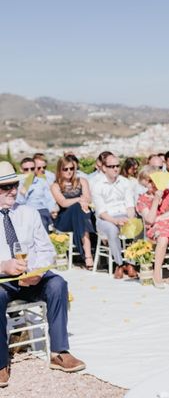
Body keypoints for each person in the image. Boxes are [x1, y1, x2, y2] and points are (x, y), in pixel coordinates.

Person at [0, 161, 85, 388]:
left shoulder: (29, 213)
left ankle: (59, 352)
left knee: (58, 283)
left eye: (14, 185)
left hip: (31, 275)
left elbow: (46, 250)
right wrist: (3, 266)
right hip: (2, 280)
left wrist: (36, 271)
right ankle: (0, 363)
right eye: (5, 187)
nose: (12, 190)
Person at [136, 166, 169, 288]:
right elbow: (149, 220)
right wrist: (155, 200)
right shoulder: (142, 199)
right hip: (155, 228)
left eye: (151, 181)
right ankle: (157, 273)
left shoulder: (168, 192)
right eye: (147, 182)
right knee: (163, 238)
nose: (150, 185)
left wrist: (159, 218)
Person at [90, 153, 137, 280]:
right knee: (112, 230)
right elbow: (101, 212)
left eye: (117, 165)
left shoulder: (125, 182)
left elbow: (130, 205)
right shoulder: (97, 185)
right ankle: (119, 264)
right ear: (104, 168)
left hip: (124, 214)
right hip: (106, 218)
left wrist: (130, 219)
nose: (116, 169)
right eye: (111, 166)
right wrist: (116, 221)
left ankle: (131, 263)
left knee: (137, 226)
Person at [51, 156, 95, 268]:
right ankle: (88, 255)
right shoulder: (55, 186)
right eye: (65, 169)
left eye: (71, 168)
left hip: (83, 216)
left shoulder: (82, 181)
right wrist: (79, 200)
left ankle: (86, 254)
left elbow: (88, 199)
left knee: (80, 212)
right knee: (76, 208)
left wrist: (81, 201)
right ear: (59, 170)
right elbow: (63, 203)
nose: (69, 172)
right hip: (65, 220)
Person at [16, 157, 57, 231]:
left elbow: (49, 198)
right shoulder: (17, 184)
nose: (29, 171)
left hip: (41, 210)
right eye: (26, 169)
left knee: (42, 220)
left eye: (32, 168)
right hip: (26, 212)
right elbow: (19, 202)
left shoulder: (41, 181)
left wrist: (52, 210)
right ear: (21, 170)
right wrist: (26, 186)